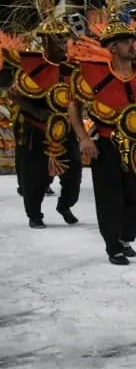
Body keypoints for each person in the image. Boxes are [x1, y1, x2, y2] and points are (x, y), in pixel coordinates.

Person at [66, 18, 136, 264]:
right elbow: (74, 105)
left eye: (132, 40)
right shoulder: (94, 75)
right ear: (112, 48)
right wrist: (83, 137)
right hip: (106, 145)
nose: (132, 44)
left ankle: (125, 239)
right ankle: (113, 245)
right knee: (109, 197)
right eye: (125, 41)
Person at [1, 13, 82, 228]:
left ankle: (65, 205)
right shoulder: (30, 65)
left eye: (65, 39)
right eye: (58, 39)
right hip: (35, 130)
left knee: (74, 174)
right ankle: (34, 215)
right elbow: (13, 94)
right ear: (46, 41)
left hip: (66, 129)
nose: (64, 44)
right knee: (34, 177)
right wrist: (35, 112)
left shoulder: (73, 68)